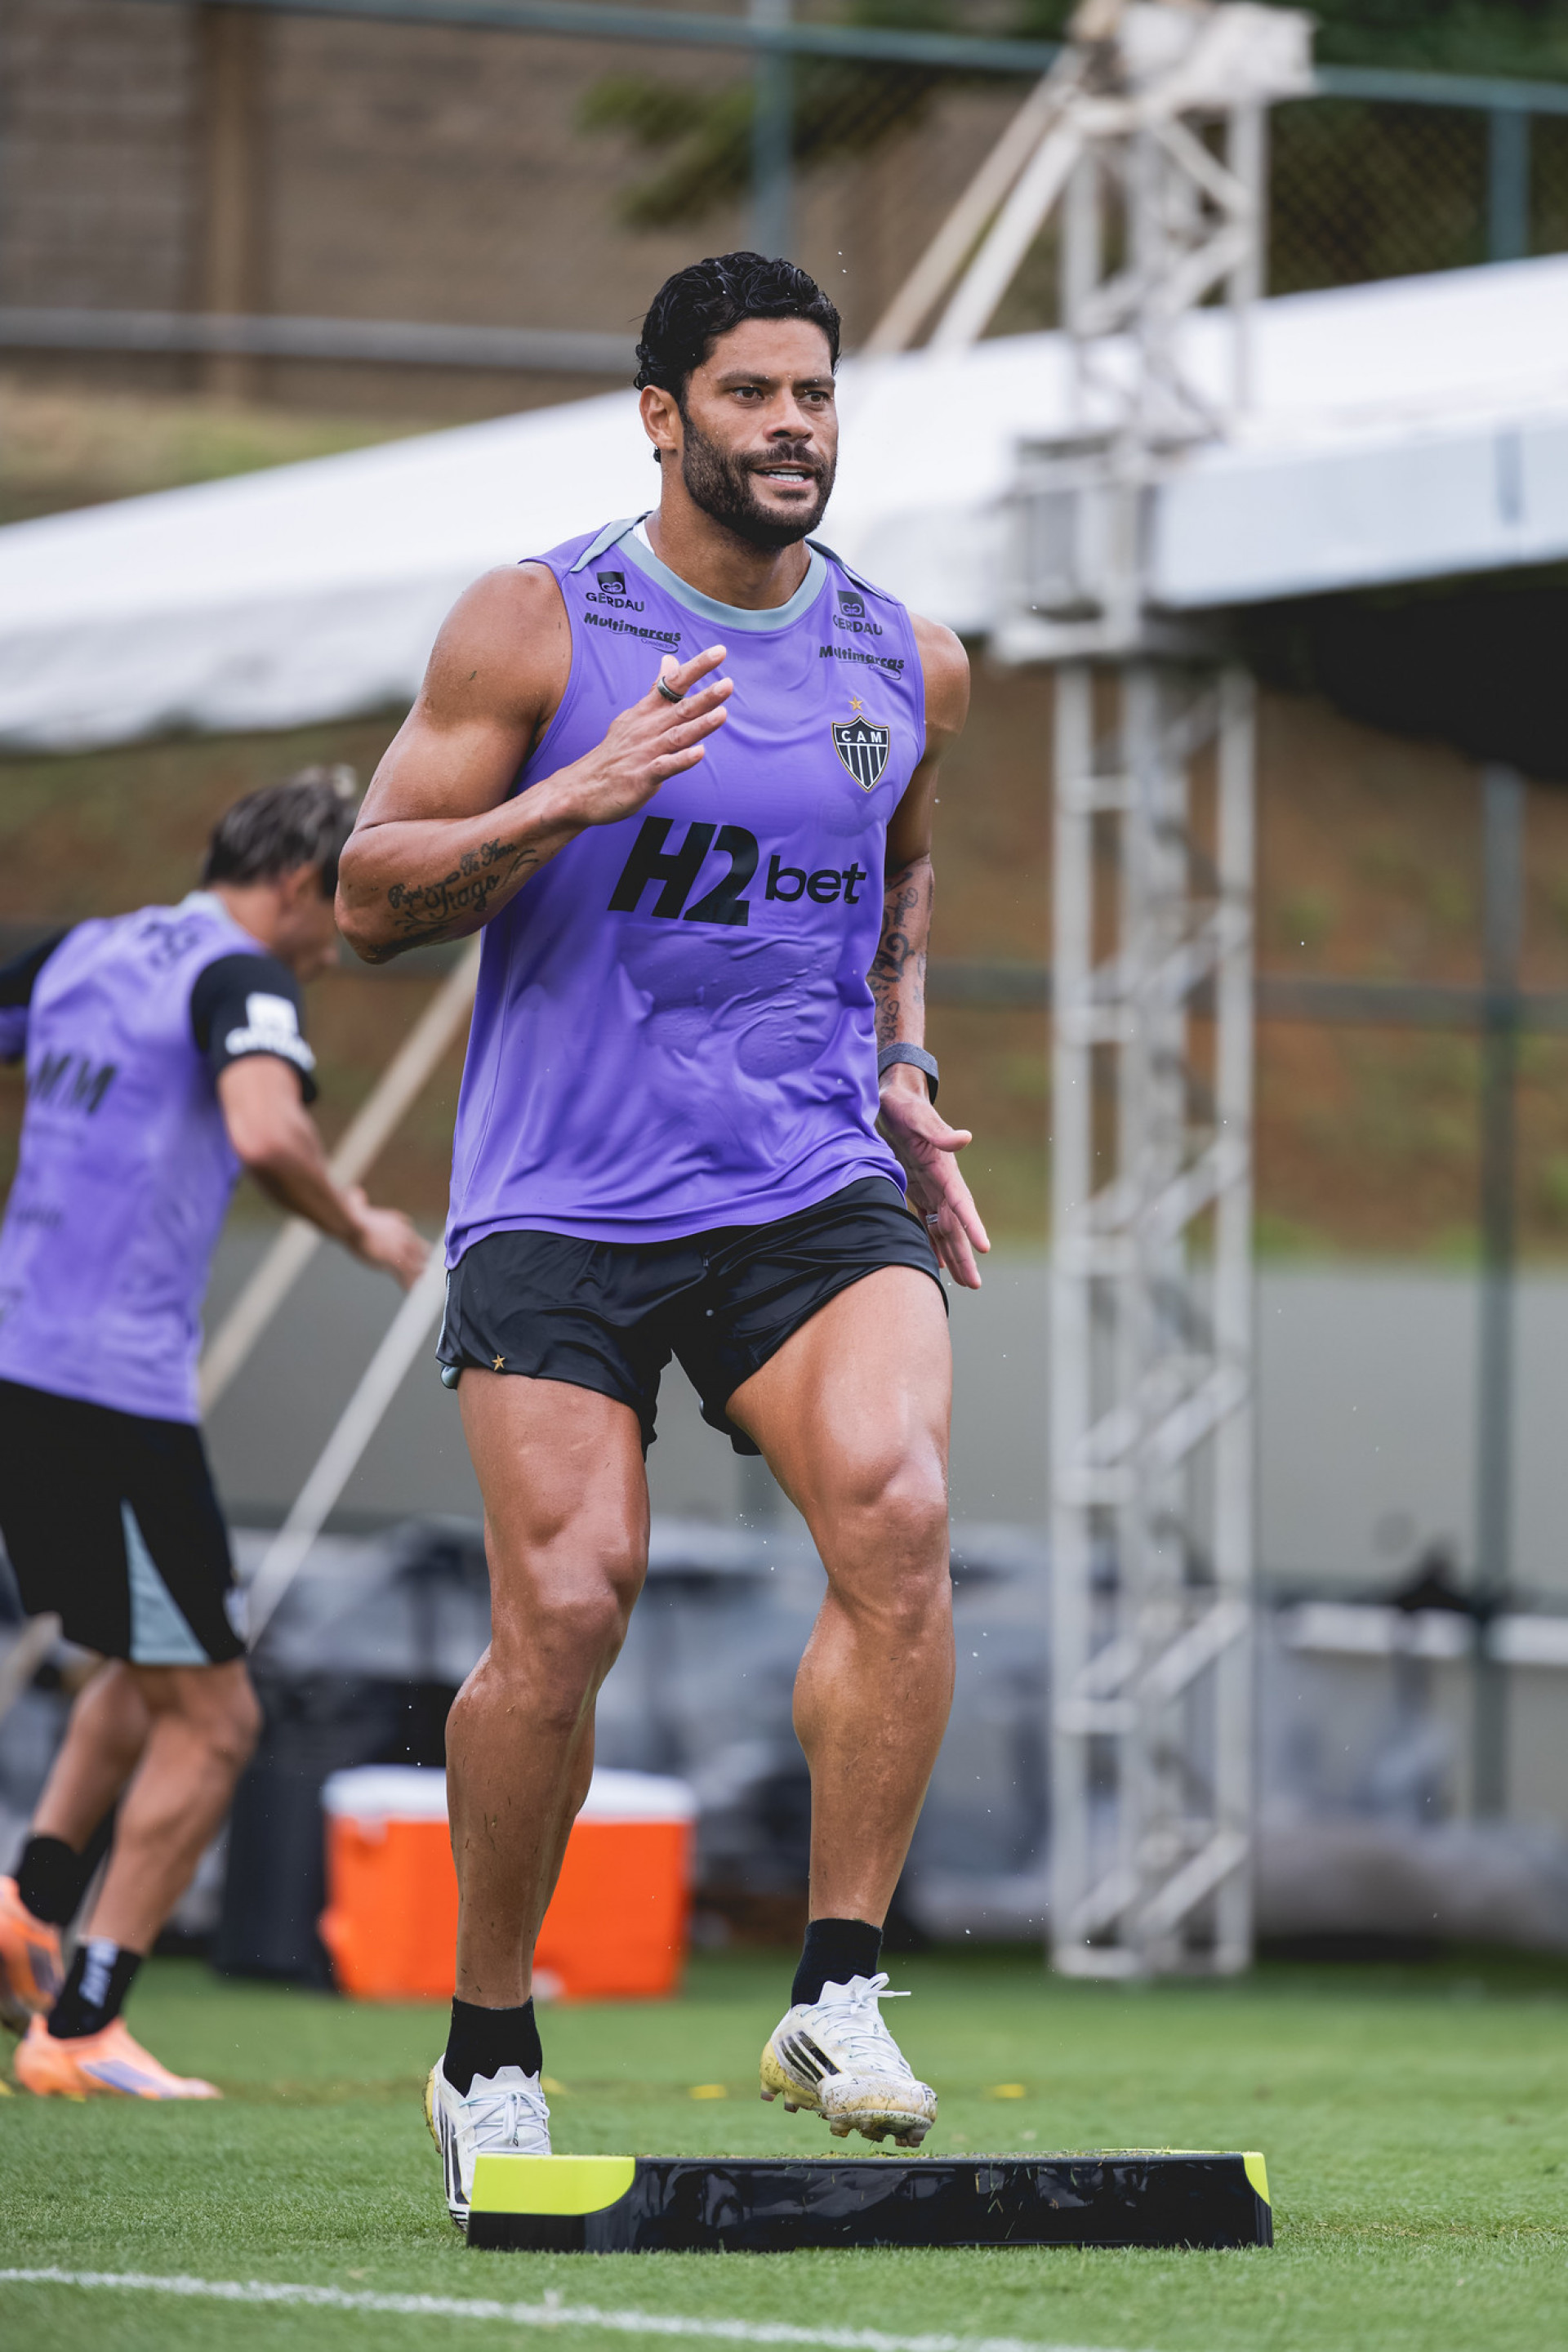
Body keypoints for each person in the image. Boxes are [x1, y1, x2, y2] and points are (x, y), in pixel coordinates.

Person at [336, 252, 987, 2224]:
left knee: (896, 1505)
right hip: (566, 1198)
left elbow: (900, 869)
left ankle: (837, 1988)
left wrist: (900, 1062)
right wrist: (579, 795)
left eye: (816, 395)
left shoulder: (909, 657)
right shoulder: (540, 624)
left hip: (805, 1178)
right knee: (574, 1604)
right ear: (661, 416)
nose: (793, 426)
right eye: (752, 395)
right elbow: (369, 894)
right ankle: (487, 2047)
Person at [0, 771, 426, 2096]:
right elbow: (263, 1125)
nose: (351, 926)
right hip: (105, 1393)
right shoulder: (245, 977)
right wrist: (363, 1227)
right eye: (346, 894)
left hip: (31, 1361)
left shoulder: (87, 949)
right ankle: (83, 2027)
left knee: (147, 1669)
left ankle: (27, 1907)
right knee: (221, 1716)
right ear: (299, 882)